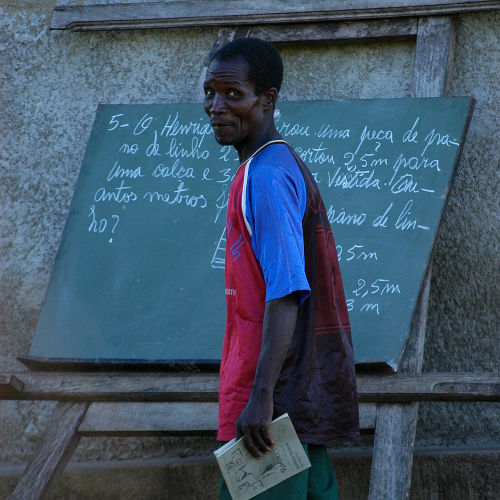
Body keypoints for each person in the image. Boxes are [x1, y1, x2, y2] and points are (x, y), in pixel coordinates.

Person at [203, 37, 359, 499]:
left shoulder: (266, 176)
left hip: (272, 412)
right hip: (297, 401)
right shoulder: (276, 163)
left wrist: (262, 397)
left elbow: (287, 291)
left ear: (267, 100)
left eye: (235, 94)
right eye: (211, 92)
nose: (217, 106)